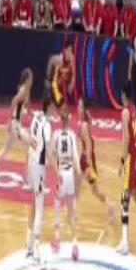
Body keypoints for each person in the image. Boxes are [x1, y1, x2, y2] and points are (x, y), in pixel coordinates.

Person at [0, 69, 33, 185]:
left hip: (17, 124)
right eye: (31, 78)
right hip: (14, 125)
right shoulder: (23, 91)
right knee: (31, 145)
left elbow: (26, 109)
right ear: (27, 79)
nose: (32, 80)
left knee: (5, 149)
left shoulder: (27, 91)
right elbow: (13, 102)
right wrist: (9, 120)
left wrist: (33, 114)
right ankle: (27, 175)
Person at [50, 108, 81, 260]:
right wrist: (78, 174)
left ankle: (57, 237)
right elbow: (75, 158)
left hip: (62, 172)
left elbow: (51, 155)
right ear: (68, 120)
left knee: (56, 202)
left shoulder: (56, 135)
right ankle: (75, 243)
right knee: (70, 211)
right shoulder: (72, 135)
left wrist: (57, 172)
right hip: (70, 174)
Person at [76, 99, 115, 220]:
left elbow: (89, 145)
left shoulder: (84, 125)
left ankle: (74, 212)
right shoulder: (86, 118)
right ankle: (110, 204)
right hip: (86, 158)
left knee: (76, 184)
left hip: (86, 160)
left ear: (83, 109)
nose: (77, 108)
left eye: (80, 106)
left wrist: (90, 166)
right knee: (94, 191)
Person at [25, 97, 53, 261]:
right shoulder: (47, 125)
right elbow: (48, 152)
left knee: (33, 202)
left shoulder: (36, 116)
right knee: (40, 207)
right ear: (49, 106)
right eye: (54, 106)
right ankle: (36, 247)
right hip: (39, 168)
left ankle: (28, 243)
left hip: (31, 161)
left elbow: (30, 140)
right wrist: (57, 170)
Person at [116, 81, 136, 255]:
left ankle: (125, 242)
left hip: (132, 157)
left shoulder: (125, 112)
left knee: (124, 198)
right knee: (133, 192)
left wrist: (121, 161)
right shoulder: (134, 109)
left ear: (124, 95)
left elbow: (126, 139)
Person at [46, 43, 76, 110]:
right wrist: (48, 78)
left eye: (71, 51)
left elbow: (73, 75)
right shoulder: (59, 59)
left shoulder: (72, 59)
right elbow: (51, 59)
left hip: (62, 82)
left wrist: (71, 84)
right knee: (58, 105)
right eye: (68, 50)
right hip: (54, 84)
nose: (69, 53)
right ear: (64, 50)